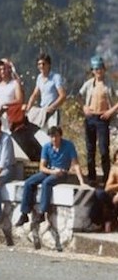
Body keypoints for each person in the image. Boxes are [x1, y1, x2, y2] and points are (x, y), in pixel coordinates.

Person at [15, 126, 86, 226]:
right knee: (29, 182)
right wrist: (52, 171)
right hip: (50, 170)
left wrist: (81, 181)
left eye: (56, 136)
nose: (54, 139)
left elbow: (75, 164)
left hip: (62, 172)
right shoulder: (46, 147)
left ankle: (42, 212)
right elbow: (42, 167)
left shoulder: (68, 145)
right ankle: (24, 213)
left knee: (47, 182)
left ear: (60, 136)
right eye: (52, 136)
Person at [78, 55, 117, 186]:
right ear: (93, 71)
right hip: (90, 118)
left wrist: (110, 111)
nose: (98, 71)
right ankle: (92, 177)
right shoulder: (89, 84)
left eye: (100, 68)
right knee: (90, 149)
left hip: (102, 118)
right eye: (96, 69)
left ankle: (106, 177)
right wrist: (84, 107)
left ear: (104, 69)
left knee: (104, 149)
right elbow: (79, 95)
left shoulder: (109, 84)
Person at [25, 53, 66, 130]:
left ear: (49, 65)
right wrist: (28, 107)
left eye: (43, 64)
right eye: (39, 64)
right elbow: (35, 94)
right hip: (43, 112)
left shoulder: (56, 77)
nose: (41, 66)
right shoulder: (39, 78)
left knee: (53, 134)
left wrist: (52, 107)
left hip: (53, 112)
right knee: (41, 136)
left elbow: (62, 95)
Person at [90, 150, 118, 231]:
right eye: (116, 159)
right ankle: (96, 221)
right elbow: (107, 188)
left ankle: (109, 221)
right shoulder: (115, 170)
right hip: (113, 197)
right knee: (99, 193)